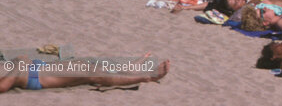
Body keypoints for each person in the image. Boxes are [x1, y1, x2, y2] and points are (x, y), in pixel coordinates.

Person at [0, 56, 168, 92]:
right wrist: (18, 64)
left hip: (37, 68)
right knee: (92, 73)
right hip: (35, 76)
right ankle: (147, 76)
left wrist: (19, 61)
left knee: (89, 66)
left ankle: (129, 71)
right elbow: (3, 86)